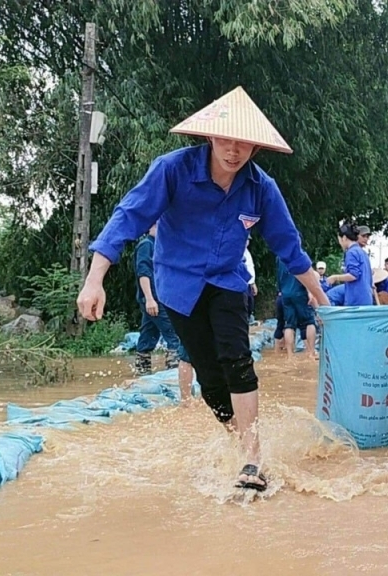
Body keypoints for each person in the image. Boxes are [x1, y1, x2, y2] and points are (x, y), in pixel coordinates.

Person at [77, 86, 330, 492]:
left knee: (237, 358)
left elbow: (290, 249)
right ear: (210, 137)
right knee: (211, 383)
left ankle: (252, 457)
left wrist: (323, 301)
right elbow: (128, 218)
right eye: (226, 140)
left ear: (254, 147)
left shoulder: (260, 188)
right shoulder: (172, 170)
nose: (233, 151)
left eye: (243, 143)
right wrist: (94, 280)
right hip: (177, 286)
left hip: (229, 282)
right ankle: (237, 441)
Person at [133, 222, 181, 375]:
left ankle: (142, 369)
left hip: (161, 297)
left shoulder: (158, 245)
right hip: (154, 298)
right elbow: (143, 272)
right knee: (173, 334)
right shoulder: (146, 245)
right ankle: (173, 371)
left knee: (149, 332)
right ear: (152, 226)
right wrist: (149, 299)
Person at [277, 254, 318, 360]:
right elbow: (308, 275)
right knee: (309, 321)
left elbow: (278, 276)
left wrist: (281, 291)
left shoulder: (280, 257)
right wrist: (311, 292)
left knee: (289, 324)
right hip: (300, 292)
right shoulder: (300, 254)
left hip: (285, 294)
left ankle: (290, 356)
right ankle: (311, 352)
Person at [327, 224, 374, 306]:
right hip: (366, 299)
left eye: (339, 240)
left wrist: (335, 277)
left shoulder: (351, 252)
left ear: (344, 238)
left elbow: (353, 275)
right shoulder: (362, 252)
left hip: (356, 301)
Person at [243, 239, 258, 324]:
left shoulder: (247, 252)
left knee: (250, 301)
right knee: (244, 302)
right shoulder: (238, 252)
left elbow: (251, 267)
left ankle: (249, 316)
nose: (247, 242)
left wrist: (253, 282)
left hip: (249, 282)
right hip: (243, 282)